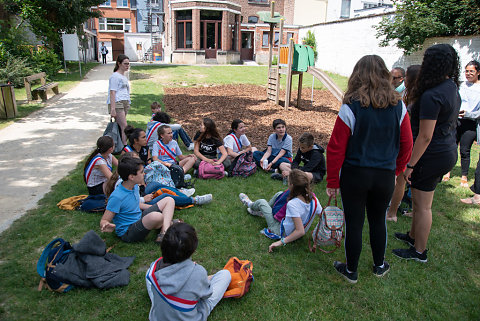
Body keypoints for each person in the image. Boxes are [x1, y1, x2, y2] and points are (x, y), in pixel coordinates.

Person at [327, 55, 413, 283]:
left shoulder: (350, 106)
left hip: (355, 175)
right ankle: (379, 265)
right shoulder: (399, 106)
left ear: (358, 74)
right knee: (378, 220)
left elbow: (335, 148)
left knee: (355, 222)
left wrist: (333, 182)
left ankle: (352, 270)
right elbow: (408, 144)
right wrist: (395, 170)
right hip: (384, 175)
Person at [392, 44, 461, 263]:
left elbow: (425, 136)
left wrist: (410, 165)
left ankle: (419, 251)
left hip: (431, 155)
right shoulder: (450, 86)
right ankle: (413, 237)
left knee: (422, 206)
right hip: (446, 151)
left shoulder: (432, 95)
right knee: (423, 202)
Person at [146, 222, 231, 321]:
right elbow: (207, 295)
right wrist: (197, 277)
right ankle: (208, 279)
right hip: (189, 317)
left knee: (150, 277)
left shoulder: (155, 267)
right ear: (193, 250)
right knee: (226, 274)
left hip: (157, 317)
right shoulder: (198, 272)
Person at [238, 169, 321, 253]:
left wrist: (280, 242)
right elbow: (323, 216)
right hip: (296, 230)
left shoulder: (293, 204)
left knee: (262, 202)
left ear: (291, 185)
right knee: (280, 194)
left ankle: (250, 204)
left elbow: (300, 231)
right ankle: (263, 212)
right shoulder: (314, 199)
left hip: (281, 231)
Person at [100, 156, 175, 244]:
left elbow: (134, 204)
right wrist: (105, 224)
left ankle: (163, 232)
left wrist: (153, 207)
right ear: (131, 177)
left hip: (139, 218)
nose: (144, 174)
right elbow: (104, 220)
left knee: (169, 200)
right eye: (141, 172)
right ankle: (167, 223)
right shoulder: (117, 197)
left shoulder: (134, 186)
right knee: (157, 216)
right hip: (128, 232)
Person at [386, 64, 421, 222]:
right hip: (407, 140)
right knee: (401, 176)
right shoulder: (411, 95)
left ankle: (392, 212)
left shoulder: (416, 99)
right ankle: (393, 207)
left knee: (400, 177)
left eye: (406, 76)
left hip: (410, 141)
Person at [443, 60, 480, 187]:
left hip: (470, 122)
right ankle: (447, 171)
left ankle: (464, 176)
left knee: (465, 150)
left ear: (478, 72)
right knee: (451, 146)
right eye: (466, 71)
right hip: (456, 120)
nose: (468, 74)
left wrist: (469, 114)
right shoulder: (461, 86)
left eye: (471, 71)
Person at [107, 54, 131, 145]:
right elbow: (112, 92)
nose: (127, 66)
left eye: (128, 64)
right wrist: (113, 109)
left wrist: (128, 101)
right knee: (124, 126)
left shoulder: (124, 77)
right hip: (117, 102)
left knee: (121, 126)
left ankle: (119, 144)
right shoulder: (115, 76)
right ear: (119, 64)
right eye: (125, 64)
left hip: (125, 102)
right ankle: (125, 146)